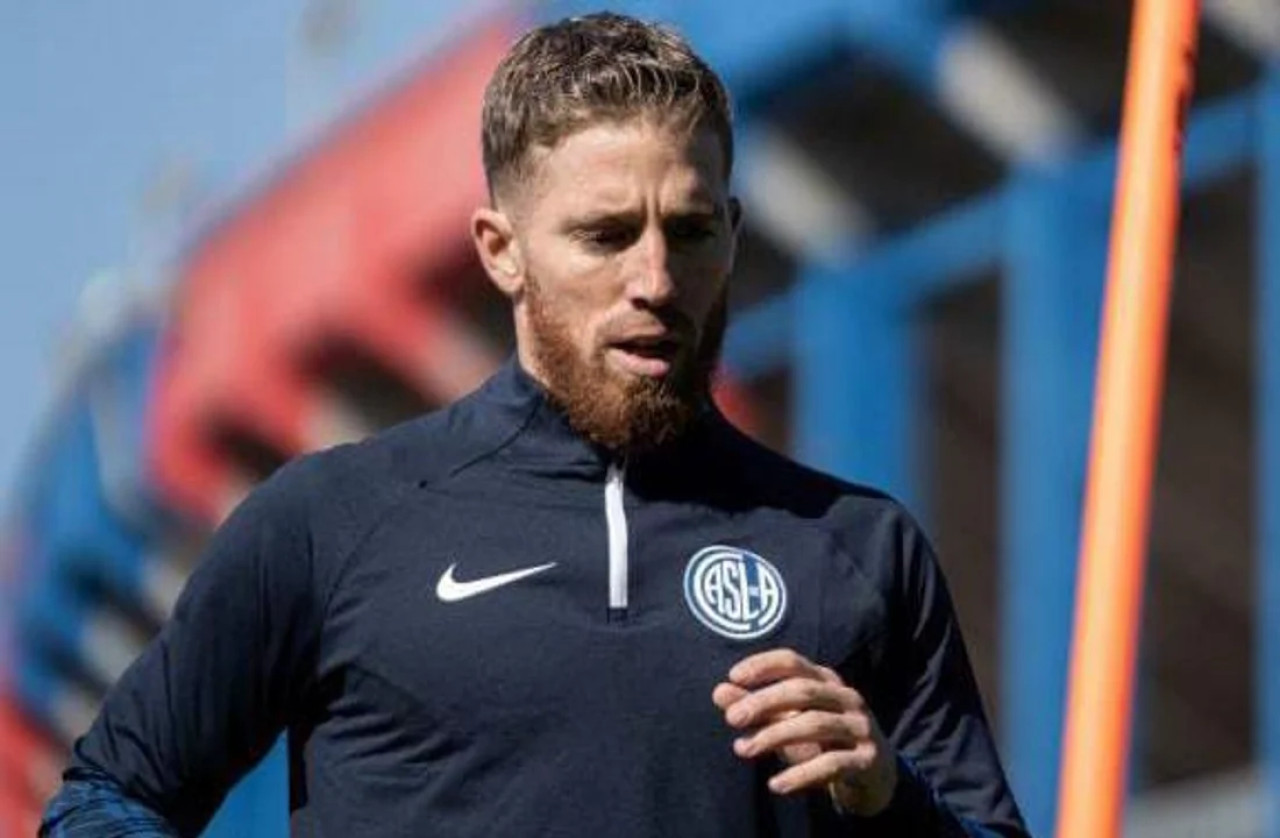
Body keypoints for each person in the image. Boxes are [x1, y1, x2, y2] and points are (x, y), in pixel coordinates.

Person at [41, 12, 1028, 837]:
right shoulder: (328, 520)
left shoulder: (855, 545)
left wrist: (889, 798)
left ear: (731, 231)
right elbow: (104, 799)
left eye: (687, 231)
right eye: (603, 235)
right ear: (499, 250)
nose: (653, 282)